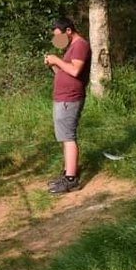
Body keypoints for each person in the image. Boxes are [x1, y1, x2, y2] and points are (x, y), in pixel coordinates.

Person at [44, 18, 91, 194]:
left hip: (70, 99)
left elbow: (75, 71)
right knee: (64, 138)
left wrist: (56, 59)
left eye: (59, 36)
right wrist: (53, 65)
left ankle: (71, 179)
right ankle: (67, 173)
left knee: (68, 137)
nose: (57, 40)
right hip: (63, 98)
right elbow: (64, 72)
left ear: (69, 31)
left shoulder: (80, 45)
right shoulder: (71, 47)